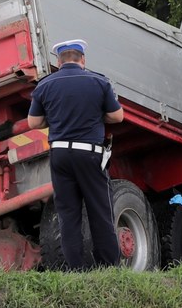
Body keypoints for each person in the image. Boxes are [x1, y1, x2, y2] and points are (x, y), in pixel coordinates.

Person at [26, 39, 125, 269]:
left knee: (68, 213)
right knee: (100, 210)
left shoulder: (45, 85)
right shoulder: (99, 82)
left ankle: (76, 269)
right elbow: (118, 116)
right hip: (89, 154)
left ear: (58, 62)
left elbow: (33, 122)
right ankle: (108, 266)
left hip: (60, 154)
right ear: (83, 59)